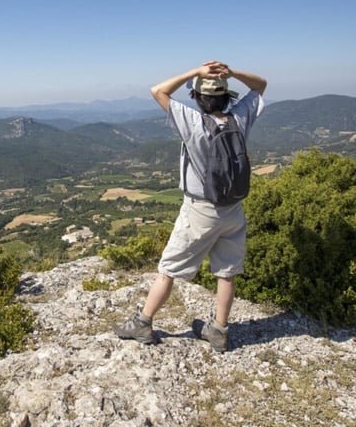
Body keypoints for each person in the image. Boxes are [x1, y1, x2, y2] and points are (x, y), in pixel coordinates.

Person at [112, 60, 267, 352]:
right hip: (233, 209)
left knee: (168, 268)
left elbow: (157, 90)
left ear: (197, 97)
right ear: (226, 96)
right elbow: (260, 86)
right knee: (227, 272)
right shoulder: (239, 119)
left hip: (200, 210)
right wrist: (231, 74)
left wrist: (195, 72)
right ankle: (218, 330)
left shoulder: (194, 122)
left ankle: (143, 323)